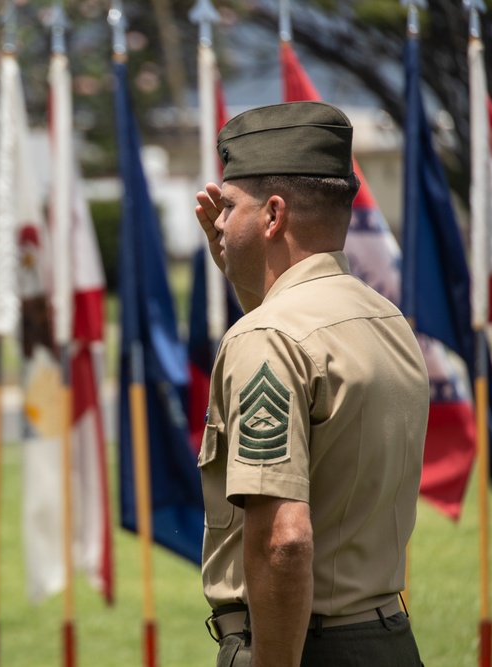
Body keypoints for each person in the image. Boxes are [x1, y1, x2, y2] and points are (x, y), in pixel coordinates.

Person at [193, 101, 428, 667]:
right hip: (386, 637)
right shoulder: (384, 318)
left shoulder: (268, 336)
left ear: (273, 216)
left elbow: (284, 539)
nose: (218, 223)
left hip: (302, 646)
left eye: (228, 206)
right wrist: (244, 275)